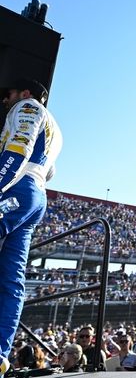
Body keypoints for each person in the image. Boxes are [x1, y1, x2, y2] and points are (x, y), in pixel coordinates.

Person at [0, 79, 63, 374]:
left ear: (25, 93)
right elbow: (50, 173)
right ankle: (0, 354)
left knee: (12, 281)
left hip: (17, 185)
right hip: (37, 196)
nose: (5, 100)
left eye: (8, 94)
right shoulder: (58, 132)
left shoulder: (28, 106)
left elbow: (18, 149)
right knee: (12, 280)